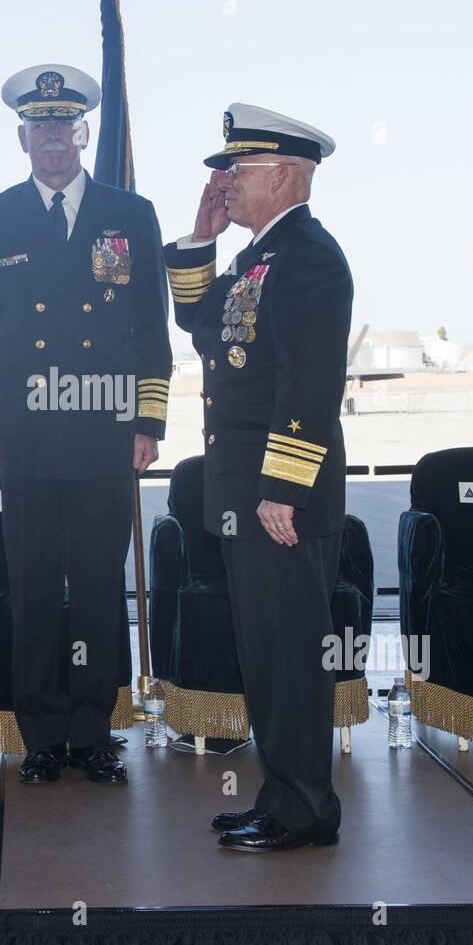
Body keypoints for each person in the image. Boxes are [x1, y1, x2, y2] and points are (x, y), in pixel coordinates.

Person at [0, 64, 172, 785]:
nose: (53, 138)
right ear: (22, 136)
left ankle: (94, 730)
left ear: (81, 132)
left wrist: (149, 421)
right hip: (27, 434)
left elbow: (151, 327)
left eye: (64, 125)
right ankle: (43, 735)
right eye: (39, 126)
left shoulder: (130, 213)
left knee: (99, 588)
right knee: (36, 587)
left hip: (106, 430)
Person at [163, 103, 352, 851]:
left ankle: (305, 810)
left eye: (237, 172)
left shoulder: (308, 256)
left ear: (286, 176)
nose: (225, 183)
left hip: (279, 496)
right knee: (267, 653)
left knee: (291, 654)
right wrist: (201, 242)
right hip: (249, 491)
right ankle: (282, 798)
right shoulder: (257, 257)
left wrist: (284, 488)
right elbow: (201, 327)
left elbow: (309, 382)